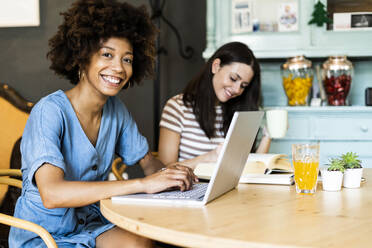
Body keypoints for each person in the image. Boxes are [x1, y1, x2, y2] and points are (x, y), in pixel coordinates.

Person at [9, 0, 196, 247]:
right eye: (107, 54)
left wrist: (172, 177)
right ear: (82, 57)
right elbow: (52, 194)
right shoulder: (49, 112)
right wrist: (142, 184)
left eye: (127, 59)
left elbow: (149, 164)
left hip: (90, 225)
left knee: (144, 241)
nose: (118, 68)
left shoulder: (115, 110)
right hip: (43, 236)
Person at [158, 42, 271, 169]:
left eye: (243, 86)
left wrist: (268, 136)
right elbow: (163, 172)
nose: (237, 89)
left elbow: (249, 169)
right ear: (216, 66)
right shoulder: (178, 107)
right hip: (189, 188)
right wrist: (210, 157)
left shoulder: (240, 112)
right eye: (233, 78)